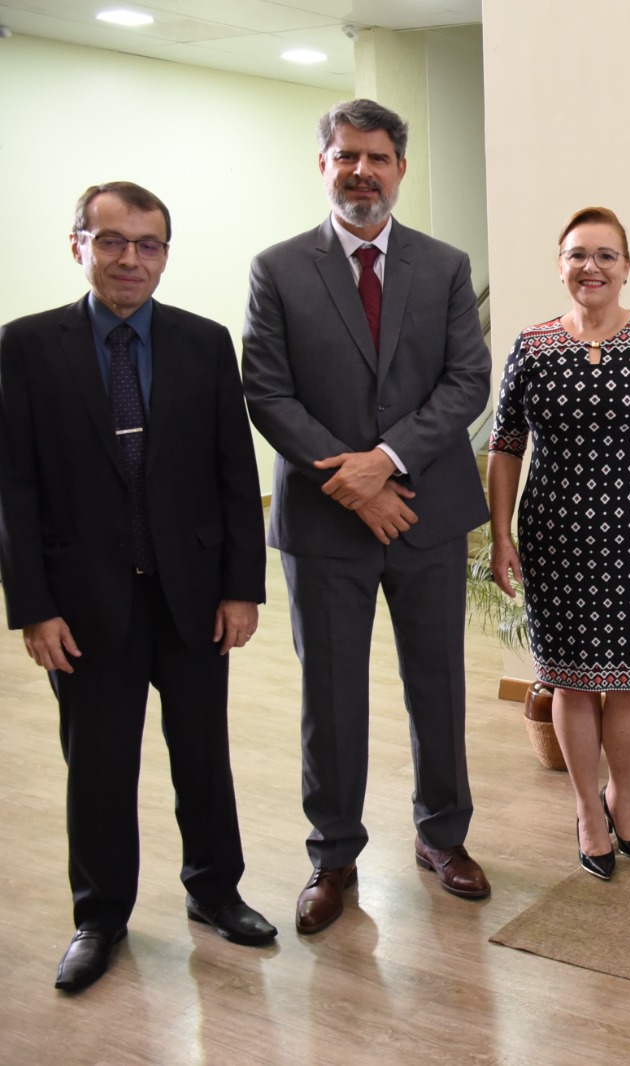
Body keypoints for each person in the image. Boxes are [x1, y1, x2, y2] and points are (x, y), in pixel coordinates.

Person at [0, 182, 276, 991]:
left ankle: (215, 892)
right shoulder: (26, 347)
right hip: (83, 605)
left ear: (164, 253)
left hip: (191, 594)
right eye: (112, 241)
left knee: (203, 753)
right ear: (78, 243)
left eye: (148, 244)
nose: (130, 259)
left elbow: (235, 474)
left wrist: (241, 588)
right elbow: (13, 489)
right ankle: (100, 916)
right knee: (99, 765)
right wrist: (34, 607)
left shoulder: (203, 342)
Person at [241, 99, 492, 933]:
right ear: (324, 165)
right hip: (323, 523)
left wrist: (383, 463)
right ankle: (333, 856)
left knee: (438, 685)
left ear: (400, 169)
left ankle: (442, 837)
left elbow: (466, 382)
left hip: (424, 509)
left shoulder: (445, 265)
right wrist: (346, 479)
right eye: (346, 156)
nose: (362, 172)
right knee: (331, 695)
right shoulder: (277, 269)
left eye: (377, 157)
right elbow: (266, 390)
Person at [485, 206, 630, 881]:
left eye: (606, 255)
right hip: (554, 539)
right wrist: (500, 534)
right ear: (560, 265)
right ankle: (587, 811)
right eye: (578, 254)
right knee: (572, 685)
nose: (592, 267)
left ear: (627, 266)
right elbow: (505, 446)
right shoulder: (532, 346)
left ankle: (624, 801)